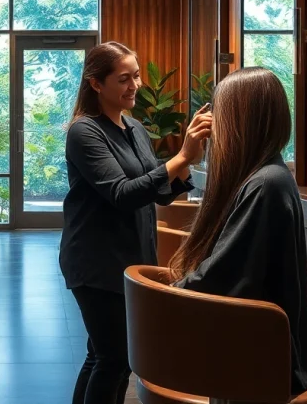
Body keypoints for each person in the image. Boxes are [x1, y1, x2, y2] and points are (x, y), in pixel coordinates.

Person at [60, 41, 210, 404]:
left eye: (137, 76)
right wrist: (181, 156)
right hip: (96, 262)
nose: (135, 86)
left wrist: (188, 160)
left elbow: (157, 193)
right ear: (96, 84)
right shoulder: (85, 132)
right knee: (114, 359)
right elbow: (123, 193)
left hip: (129, 256)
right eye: (124, 78)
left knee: (103, 355)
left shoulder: (135, 128)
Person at [169, 67, 307, 399]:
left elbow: (223, 278)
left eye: (221, 114)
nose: (214, 125)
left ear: (241, 120)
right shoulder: (265, 178)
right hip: (250, 357)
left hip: (257, 369)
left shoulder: (266, 185)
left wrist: (160, 300)